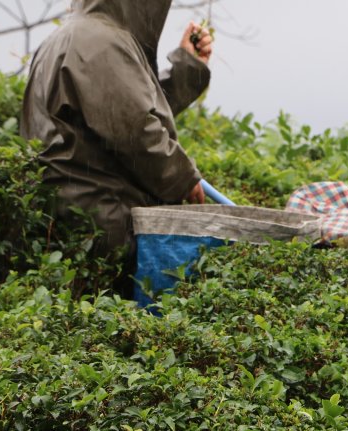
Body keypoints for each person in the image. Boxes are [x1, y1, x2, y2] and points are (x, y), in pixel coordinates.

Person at [20, 0, 214, 297]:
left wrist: (187, 70)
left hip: (73, 220)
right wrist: (182, 177)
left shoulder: (83, 35)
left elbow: (126, 108)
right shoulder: (98, 42)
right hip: (101, 223)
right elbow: (135, 130)